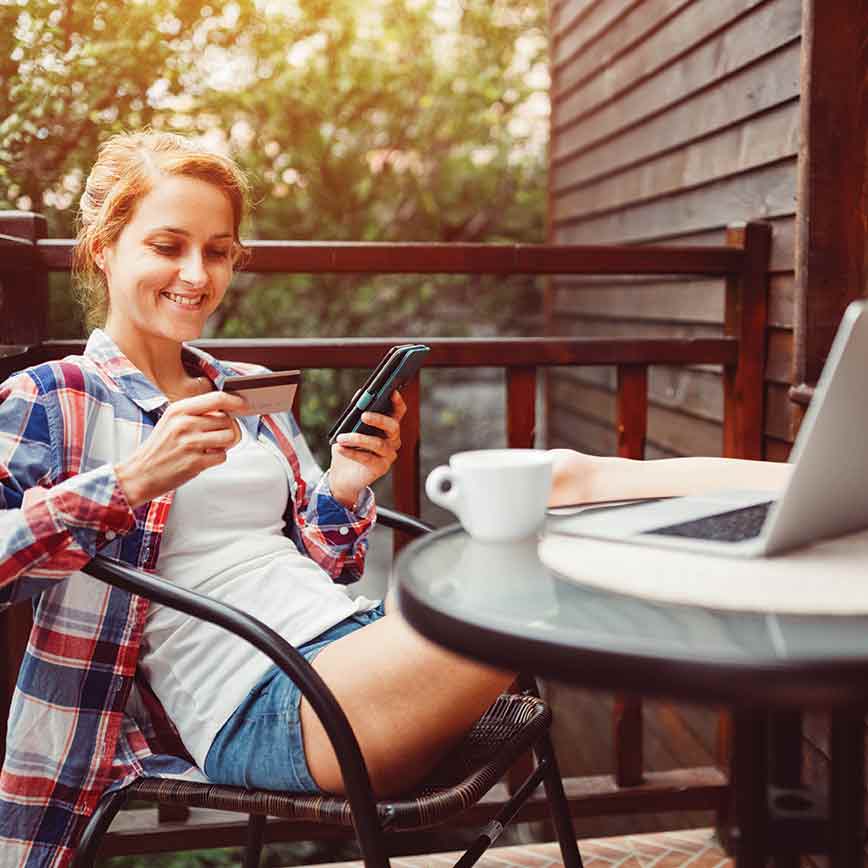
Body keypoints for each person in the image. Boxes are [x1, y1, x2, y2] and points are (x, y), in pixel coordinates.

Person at [0, 131, 513, 865]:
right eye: (167, 246)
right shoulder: (53, 399)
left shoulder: (245, 387)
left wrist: (344, 486)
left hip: (346, 636)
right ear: (105, 248)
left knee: (529, 581)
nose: (195, 273)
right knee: (532, 595)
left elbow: (328, 564)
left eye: (217, 251)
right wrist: (133, 481)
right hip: (262, 699)